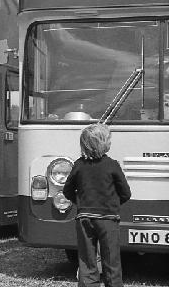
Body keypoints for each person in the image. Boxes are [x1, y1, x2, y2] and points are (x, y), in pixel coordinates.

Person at [63, 123, 131, 287]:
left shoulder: (79, 165)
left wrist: (80, 203)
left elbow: (67, 191)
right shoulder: (112, 165)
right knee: (111, 260)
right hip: (108, 218)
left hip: (84, 218)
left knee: (87, 260)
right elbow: (126, 193)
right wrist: (112, 204)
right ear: (104, 144)